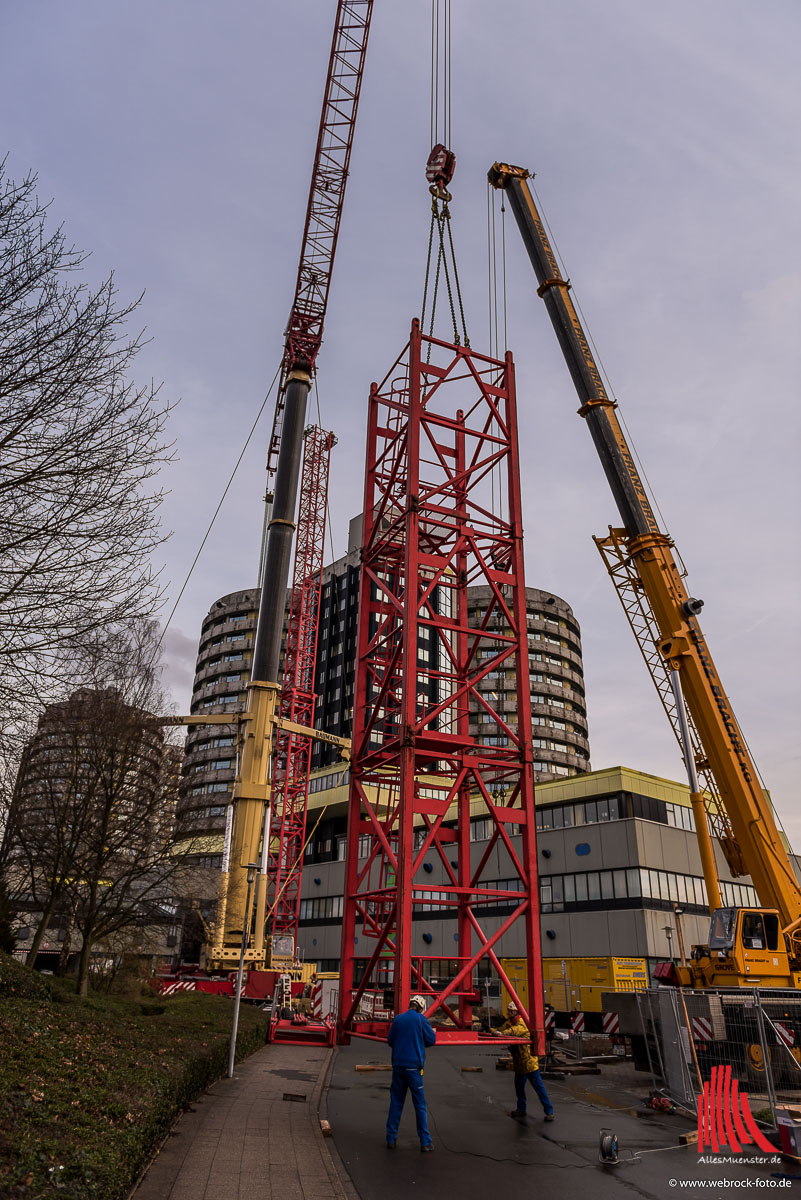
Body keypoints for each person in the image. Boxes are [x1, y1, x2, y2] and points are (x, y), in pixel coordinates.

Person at [385, 994, 436, 1151]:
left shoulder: (398, 1019)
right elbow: (431, 1040)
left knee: (396, 1102)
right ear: (421, 1007)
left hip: (399, 1067)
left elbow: (390, 1041)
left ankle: (391, 1139)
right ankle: (425, 1142)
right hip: (414, 1068)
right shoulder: (421, 1020)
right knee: (419, 1105)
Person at [494, 1000, 554, 1121]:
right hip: (520, 1063)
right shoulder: (511, 1022)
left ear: (515, 1012)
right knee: (519, 1087)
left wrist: (500, 1033)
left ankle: (549, 1111)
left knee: (538, 1087)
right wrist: (491, 1029)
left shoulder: (521, 1024)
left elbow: (512, 1031)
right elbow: (502, 1028)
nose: (508, 1012)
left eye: (510, 1010)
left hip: (529, 1063)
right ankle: (521, 1109)